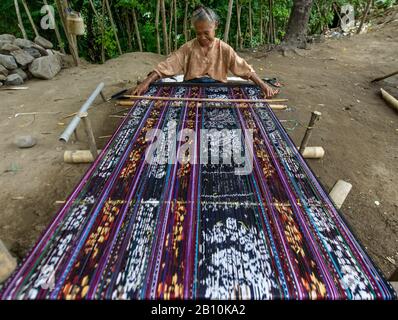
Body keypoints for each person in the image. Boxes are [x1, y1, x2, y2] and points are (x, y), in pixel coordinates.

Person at [130, 6, 279, 98]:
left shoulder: (224, 49)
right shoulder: (188, 48)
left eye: (206, 32)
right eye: (198, 33)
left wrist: (263, 85)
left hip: (218, 90)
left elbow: (244, 68)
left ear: (216, 26)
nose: (202, 37)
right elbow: (167, 65)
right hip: (190, 89)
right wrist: (146, 82)